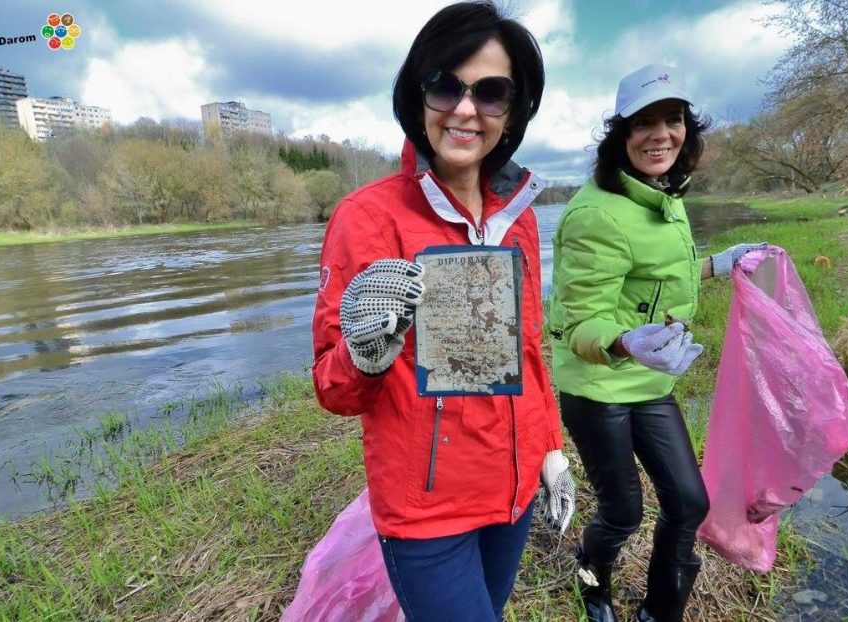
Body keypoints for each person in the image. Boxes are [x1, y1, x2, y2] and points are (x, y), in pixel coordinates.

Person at [311, 3, 575, 620]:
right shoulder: (368, 218)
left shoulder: (520, 216)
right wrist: (367, 353)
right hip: (426, 513)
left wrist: (550, 449)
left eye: (490, 92)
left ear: (513, 110)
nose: (464, 109)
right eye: (444, 85)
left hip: (512, 498)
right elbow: (332, 385)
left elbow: (529, 352)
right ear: (416, 93)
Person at [547, 64, 766, 622]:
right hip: (597, 385)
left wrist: (717, 263)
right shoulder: (596, 212)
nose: (661, 134)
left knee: (689, 503)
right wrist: (622, 343)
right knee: (621, 511)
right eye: (644, 123)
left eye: (673, 120)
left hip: (648, 380)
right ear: (621, 134)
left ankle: (659, 612)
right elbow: (578, 325)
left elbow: (656, 275)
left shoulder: (662, 193)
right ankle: (591, 585)